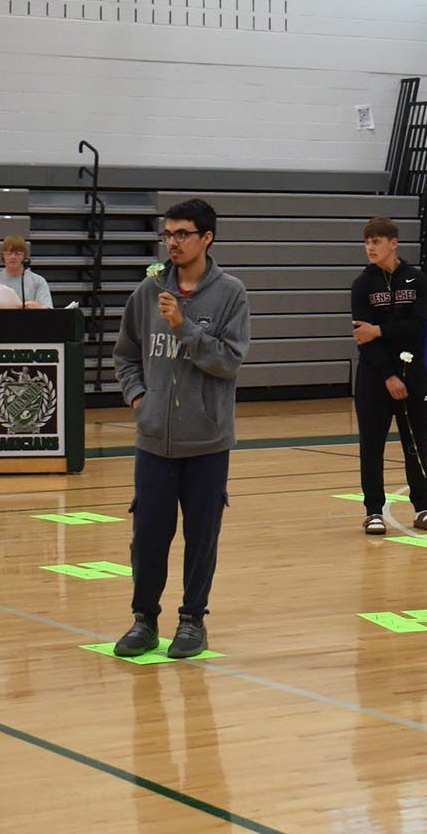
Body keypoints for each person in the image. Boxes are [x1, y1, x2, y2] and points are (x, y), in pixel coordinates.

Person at [111, 199, 250, 660]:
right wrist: (138, 398)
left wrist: (183, 326)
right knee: (148, 534)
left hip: (207, 440)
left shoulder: (231, 293)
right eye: (168, 234)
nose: (172, 241)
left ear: (206, 238)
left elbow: (228, 361)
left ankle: (192, 620)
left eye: (182, 234)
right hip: (154, 440)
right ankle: (144, 619)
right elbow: (125, 354)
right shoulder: (147, 292)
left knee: (201, 534)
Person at [350, 217, 427, 535]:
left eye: (376, 242)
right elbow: (363, 338)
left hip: (413, 373)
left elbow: (418, 328)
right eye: (367, 242)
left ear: (393, 243)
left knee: (417, 444)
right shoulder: (363, 285)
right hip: (375, 378)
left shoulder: (416, 281)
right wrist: (388, 375)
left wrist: (380, 330)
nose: (371, 248)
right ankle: (373, 510)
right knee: (371, 446)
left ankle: (422, 507)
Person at [0, 235, 52, 309]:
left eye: (18, 253)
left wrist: (38, 307)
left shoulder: (38, 281)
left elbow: (49, 310)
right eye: (9, 253)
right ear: (3, 256)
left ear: (24, 256)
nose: (13, 257)